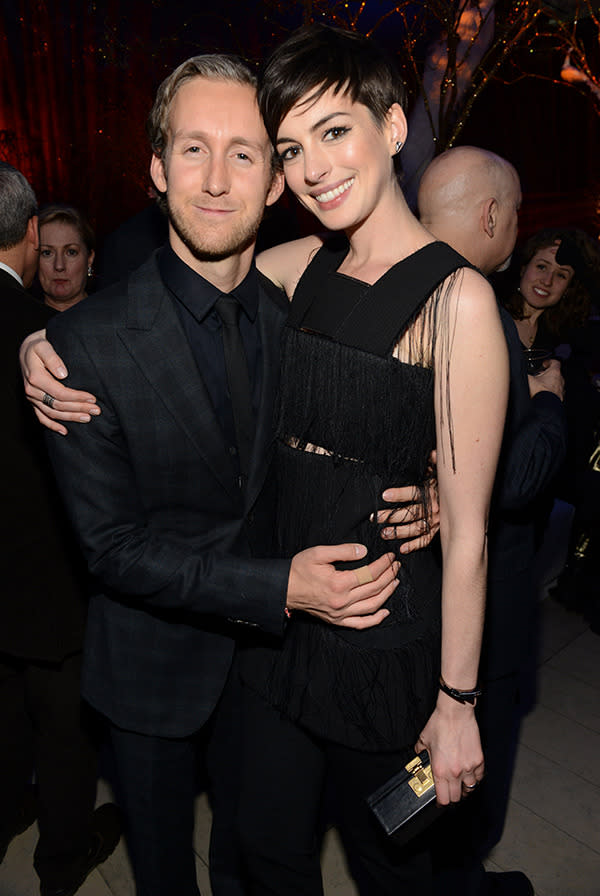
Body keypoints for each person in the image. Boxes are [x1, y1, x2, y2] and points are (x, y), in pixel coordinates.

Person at [16, 54, 401, 896]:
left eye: (245, 152)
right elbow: (113, 551)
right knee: (165, 876)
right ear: (157, 170)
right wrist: (280, 589)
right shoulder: (86, 344)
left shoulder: (295, 316)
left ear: (275, 181)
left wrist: (439, 488)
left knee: (257, 859)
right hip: (150, 677)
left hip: (270, 673)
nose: (218, 179)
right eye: (194, 149)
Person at [229, 26, 508, 895]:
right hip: (279, 632)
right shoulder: (296, 264)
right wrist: (48, 342)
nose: (313, 169)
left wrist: (456, 706)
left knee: (395, 868)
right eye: (291, 148)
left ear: (392, 127)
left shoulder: (456, 301)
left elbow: (467, 536)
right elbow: (176, 281)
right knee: (265, 853)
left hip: (384, 652)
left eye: (335, 131)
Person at [413, 146, 568, 895]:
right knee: (471, 745)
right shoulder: (475, 308)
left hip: (407, 579)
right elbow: (511, 482)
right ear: (492, 216)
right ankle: (457, 877)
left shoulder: (390, 287)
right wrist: (549, 409)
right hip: (480, 590)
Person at [0, 162, 121, 896]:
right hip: (49, 582)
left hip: (52, 576)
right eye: (49, 252)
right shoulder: (33, 338)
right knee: (52, 724)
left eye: (71, 253)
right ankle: (60, 857)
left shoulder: (101, 335)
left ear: (90, 260)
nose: (57, 264)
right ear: (33, 240)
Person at [502, 227, 590, 352]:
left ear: (568, 289)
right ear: (523, 268)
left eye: (561, 275)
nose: (547, 281)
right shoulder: (492, 318)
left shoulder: (564, 341)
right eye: (541, 267)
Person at [37, 204, 96, 311]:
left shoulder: (114, 322)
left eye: (71, 252)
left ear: (89, 258)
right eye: (47, 253)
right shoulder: (16, 322)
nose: (59, 266)